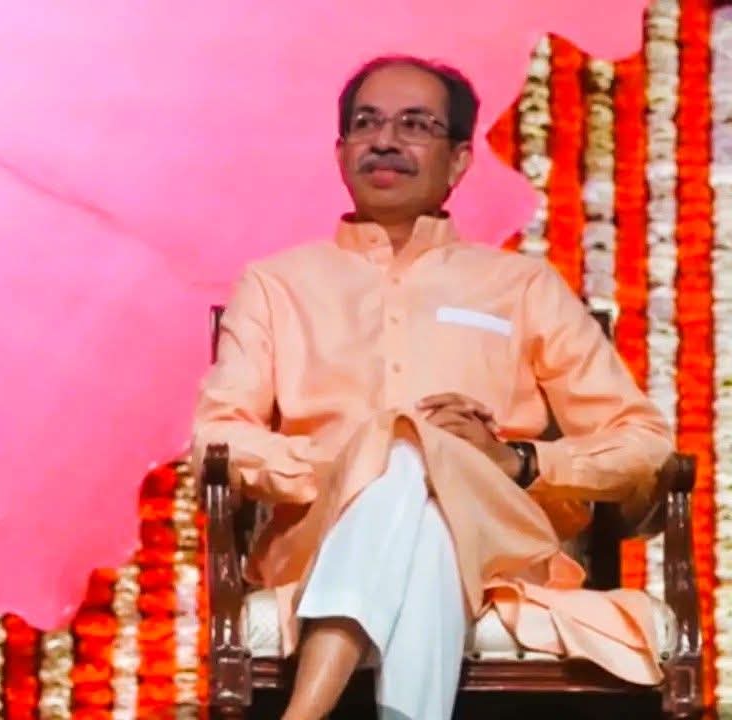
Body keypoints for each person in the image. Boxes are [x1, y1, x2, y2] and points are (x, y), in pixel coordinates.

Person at [193, 55, 672, 720]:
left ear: (459, 160)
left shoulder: (521, 287)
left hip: (498, 549)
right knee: (405, 453)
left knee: (415, 455)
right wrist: (354, 465)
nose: (385, 140)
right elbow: (217, 436)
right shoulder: (278, 285)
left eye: (415, 125)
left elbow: (644, 445)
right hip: (322, 540)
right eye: (367, 123)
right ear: (341, 151)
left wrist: (517, 461)